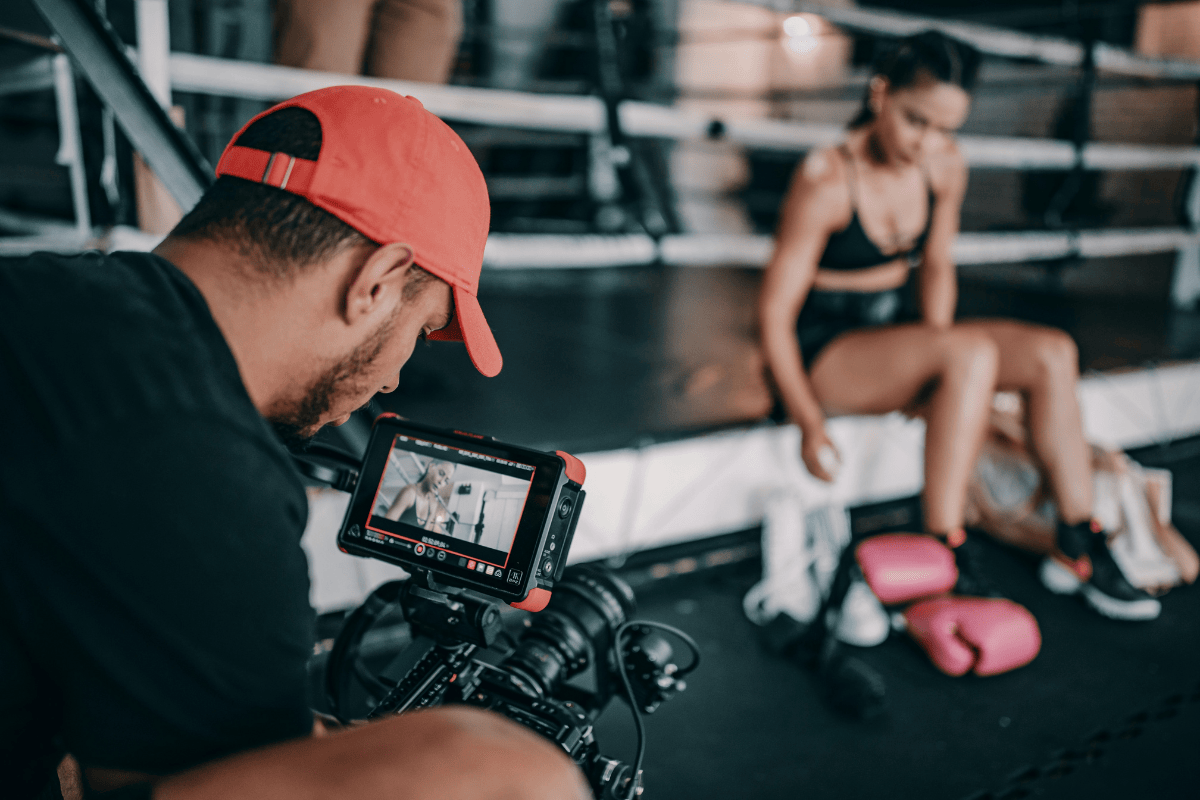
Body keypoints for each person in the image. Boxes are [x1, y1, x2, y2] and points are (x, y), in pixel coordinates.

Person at [0, 86, 589, 800]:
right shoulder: (204, 474)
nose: (397, 377)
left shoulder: (32, 287)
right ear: (377, 280)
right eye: (424, 330)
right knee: (513, 774)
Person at [758, 31, 1160, 621]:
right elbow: (772, 313)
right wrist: (808, 423)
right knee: (966, 353)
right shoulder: (827, 175)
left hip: (893, 334)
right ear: (879, 93)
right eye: (916, 121)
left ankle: (1081, 537)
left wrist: (937, 357)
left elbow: (938, 265)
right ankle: (943, 545)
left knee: (1051, 351)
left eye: (947, 128)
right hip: (824, 349)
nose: (929, 143)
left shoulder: (943, 164)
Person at [385, 460, 456, 532]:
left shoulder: (433, 504)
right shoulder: (410, 493)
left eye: (446, 481)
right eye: (441, 474)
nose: (441, 482)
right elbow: (385, 527)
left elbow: (422, 537)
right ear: (431, 467)